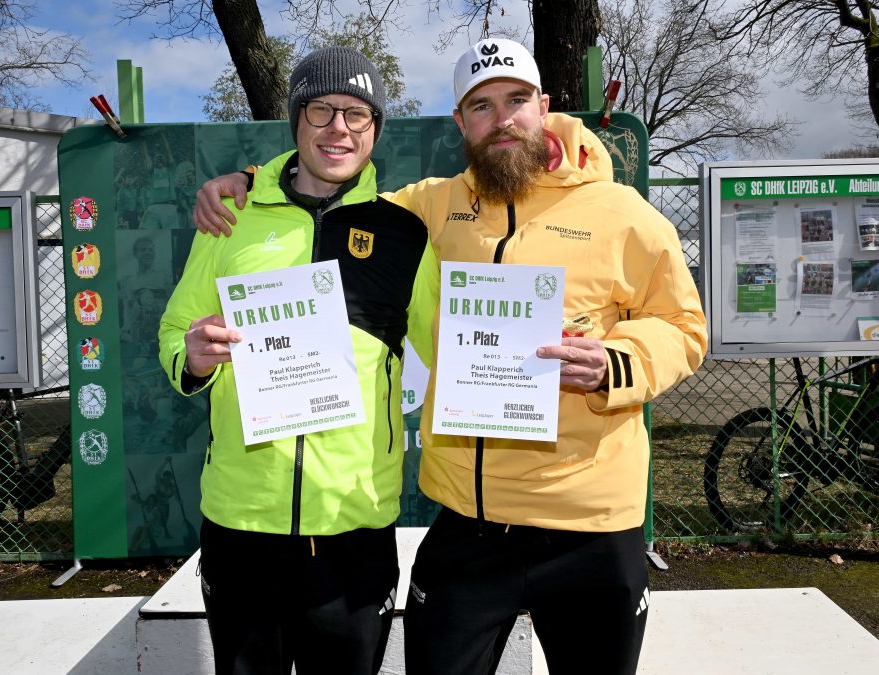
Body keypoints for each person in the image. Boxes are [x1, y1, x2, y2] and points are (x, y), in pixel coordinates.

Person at [193, 38, 707, 675]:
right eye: (481, 106)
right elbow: (329, 188)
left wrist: (617, 363)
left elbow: (684, 327)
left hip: (591, 522)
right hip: (471, 523)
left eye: (516, 101)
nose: (502, 119)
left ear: (543, 107)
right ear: (461, 123)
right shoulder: (430, 206)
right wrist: (249, 181)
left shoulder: (623, 213)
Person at [158, 46, 437, 675]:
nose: (339, 127)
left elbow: (449, 346)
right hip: (240, 518)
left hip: (352, 522)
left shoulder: (404, 233)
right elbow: (177, 329)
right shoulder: (231, 215)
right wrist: (194, 357)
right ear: (296, 120)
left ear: (375, 130)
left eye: (358, 115)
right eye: (322, 109)